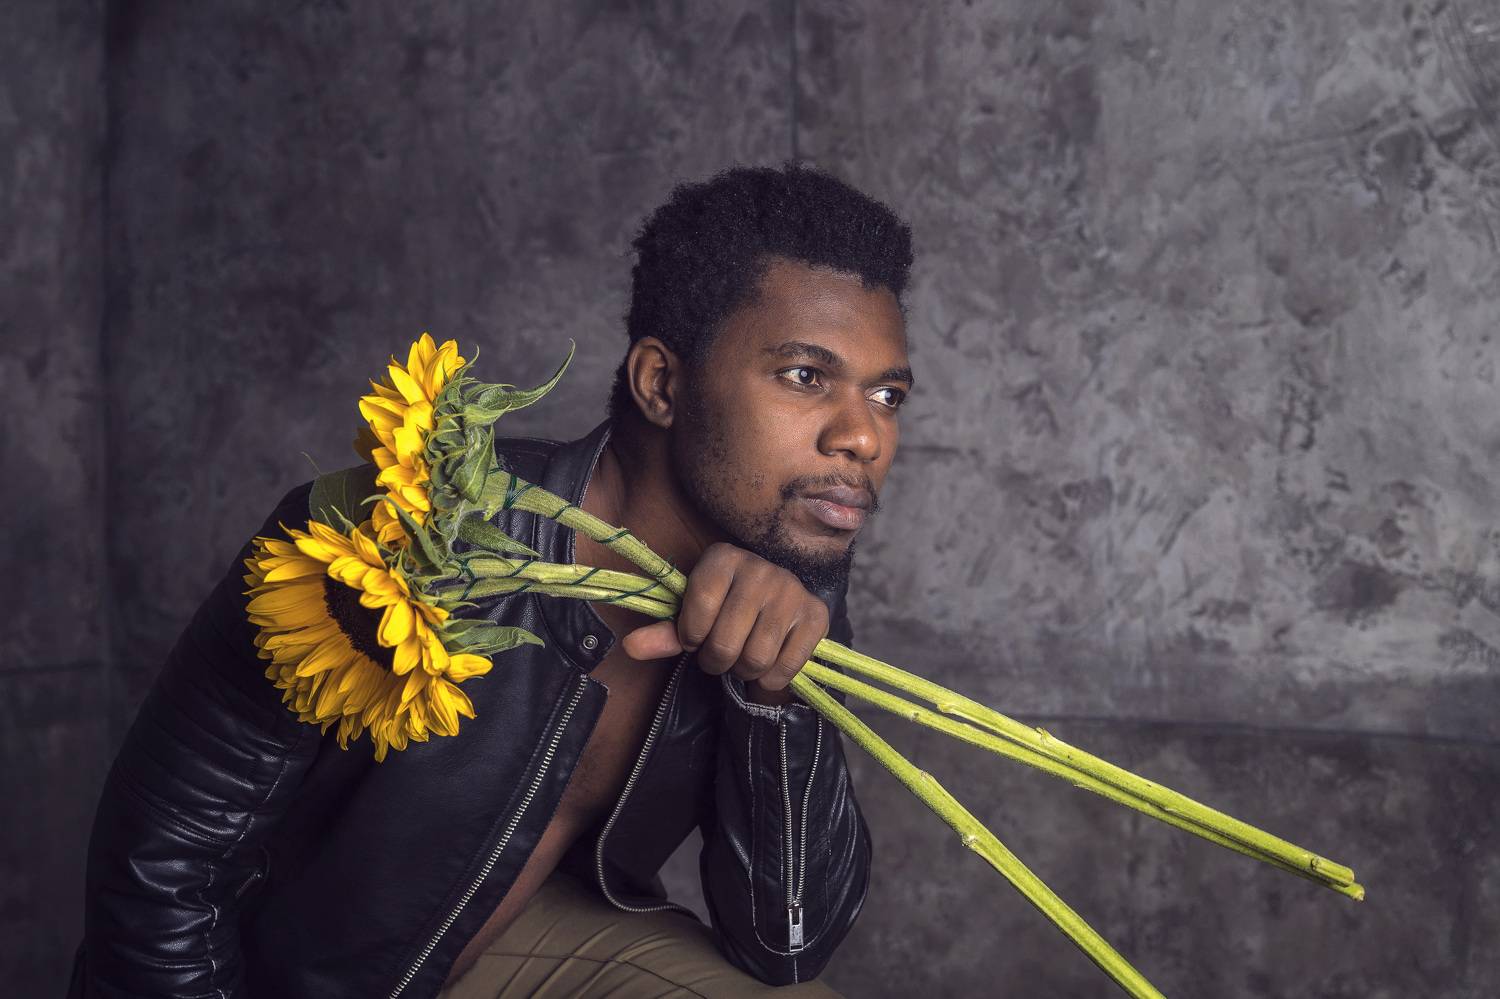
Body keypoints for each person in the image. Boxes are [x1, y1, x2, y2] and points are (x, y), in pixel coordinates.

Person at [72, 162, 916, 998]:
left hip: (510, 947)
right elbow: (160, 873)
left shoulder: (789, 595)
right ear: (662, 383)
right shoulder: (391, 541)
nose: (864, 437)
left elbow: (787, 947)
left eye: (886, 395)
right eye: (806, 376)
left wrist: (774, 695)